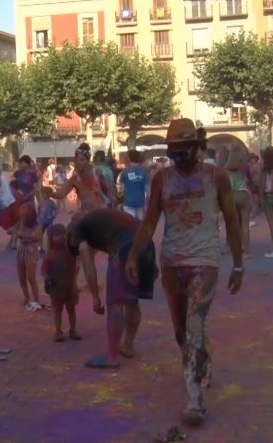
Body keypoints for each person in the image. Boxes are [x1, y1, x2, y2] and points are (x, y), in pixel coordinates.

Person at [124, 118, 244, 427]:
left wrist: (239, 264)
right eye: (173, 151)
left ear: (196, 146)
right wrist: (134, 256)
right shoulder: (162, 179)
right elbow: (149, 221)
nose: (178, 158)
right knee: (181, 331)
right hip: (172, 262)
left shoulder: (216, 177)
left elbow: (231, 220)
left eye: (183, 151)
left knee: (194, 324)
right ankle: (202, 360)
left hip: (205, 259)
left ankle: (194, 399)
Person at [67, 208, 156, 369]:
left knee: (115, 302)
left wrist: (95, 297)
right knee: (132, 300)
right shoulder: (98, 219)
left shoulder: (78, 231)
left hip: (126, 248)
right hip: (147, 244)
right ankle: (127, 345)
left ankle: (112, 356)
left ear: (71, 236)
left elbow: (88, 263)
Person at [41, 223, 81, 342]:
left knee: (71, 309)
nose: (60, 238)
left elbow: (75, 267)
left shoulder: (70, 253)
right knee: (58, 310)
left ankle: (73, 330)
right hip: (56, 287)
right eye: (56, 235)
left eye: (62, 234)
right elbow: (43, 270)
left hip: (70, 285)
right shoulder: (50, 255)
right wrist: (47, 278)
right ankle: (58, 331)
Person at [50, 143, 111, 213]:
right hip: (87, 216)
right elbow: (61, 194)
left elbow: (107, 191)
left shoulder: (97, 172)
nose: (78, 162)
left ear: (88, 161)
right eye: (76, 160)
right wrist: (47, 192)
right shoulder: (75, 178)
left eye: (81, 160)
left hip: (102, 213)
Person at [15, 203, 44, 311]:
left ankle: (36, 299)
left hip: (31, 252)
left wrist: (23, 235)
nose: (20, 212)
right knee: (21, 277)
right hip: (21, 251)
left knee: (30, 277)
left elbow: (38, 237)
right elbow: (15, 232)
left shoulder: (38, 225)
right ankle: (27, 297)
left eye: (23, 211)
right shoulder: (20, 223)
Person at [225, 147, 252, 258]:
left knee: (231, 224)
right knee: (245, 225)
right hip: (244, 195)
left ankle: (229, 247)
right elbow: (249, 180)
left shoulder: (225, 169)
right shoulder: (244, 167)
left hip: (231, 196)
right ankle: (246, 252)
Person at [118, 150, 149, 220]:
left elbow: (121, 190)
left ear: (129, 158)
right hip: (140, 202)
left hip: (128, 202)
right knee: (139, 224)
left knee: (130, 223)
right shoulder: (144, 172)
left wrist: (120, 201)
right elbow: (147, 189)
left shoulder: (124, 172)